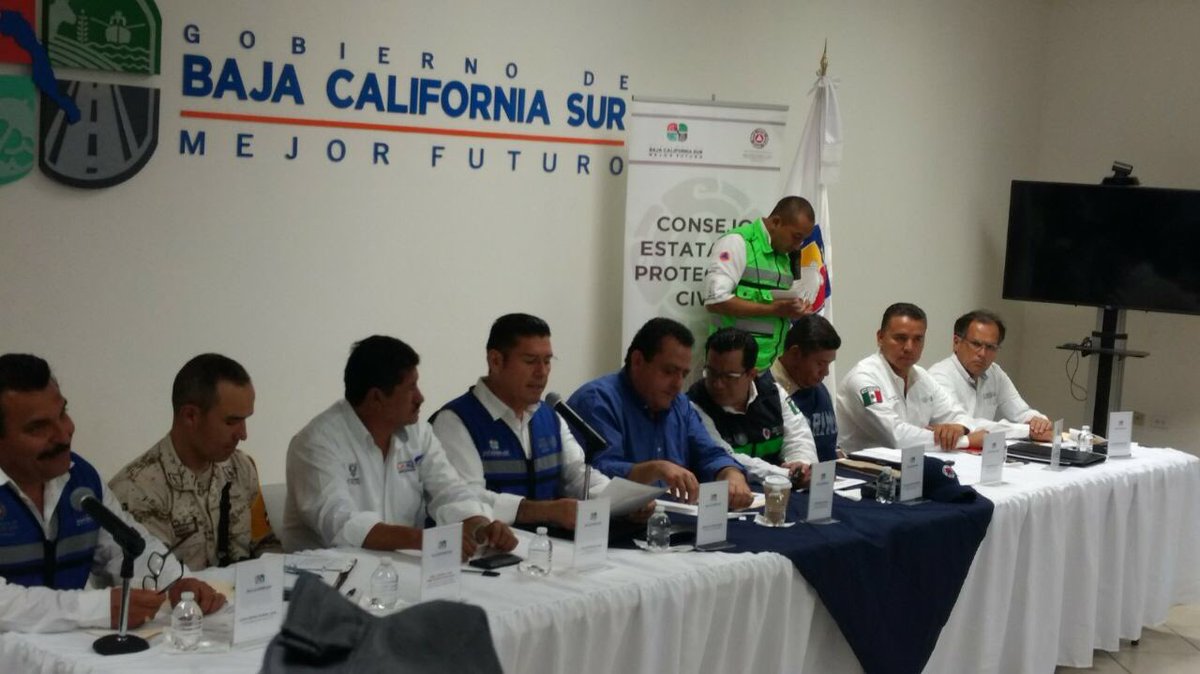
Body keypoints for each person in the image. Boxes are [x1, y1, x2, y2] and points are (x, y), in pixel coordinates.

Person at [0, 354, 224, 633]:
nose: (64, 434)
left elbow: (127, 546)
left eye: (63, 414)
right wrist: (96, 609)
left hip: (62, 649)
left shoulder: (81, 478)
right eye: (38, 427)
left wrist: (176, 582)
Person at [284, 336, 517, 559]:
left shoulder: (419, 433)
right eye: (410, 388)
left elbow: (449, 491)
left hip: (402, 569)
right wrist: (424, 539)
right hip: (327, 577)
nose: (420, 397)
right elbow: (340, 524)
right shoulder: (316, 443)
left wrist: (480, 526)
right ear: (376, 398)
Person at [432, 314, 612, 530]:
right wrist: (543, 511)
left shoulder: (550, 417)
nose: (542, 372)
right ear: (495, 361)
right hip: (486, 547)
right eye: (530, 361)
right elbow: (464, 499)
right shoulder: (455, 421)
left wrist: (621, 500)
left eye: (547, 361)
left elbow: (576, 476)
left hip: (548, 544)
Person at [109, 354, 280, 571]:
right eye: (231, 422)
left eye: (245, 419)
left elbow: (265, 545)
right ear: (190, 416)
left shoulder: (241, 468)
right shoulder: (137, 489)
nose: (243, 434)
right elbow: (152, 579)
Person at [568, 318, 753, 509]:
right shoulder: (597, 401)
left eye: (683, 374)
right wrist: (655, 469)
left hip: (673, 518)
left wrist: (731, 474)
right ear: (638, 361)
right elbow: (595, 474)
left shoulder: (679, 404)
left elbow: (709, 453)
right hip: (613, 520)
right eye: (669, 371)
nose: (678, 384)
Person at [836, 304, 982, 453]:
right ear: (880, 337)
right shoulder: (864, 379)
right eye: (900, 338)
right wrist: (966, 441)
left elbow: (958, 415)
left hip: (912, 462)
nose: (909, 347)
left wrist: (959, 428)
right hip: (862, 466)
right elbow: (896, 436)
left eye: (918, 339)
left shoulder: (922, 377)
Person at [687, 328, 817, 486]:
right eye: (711, 373)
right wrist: (787, 475)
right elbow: (725, 457)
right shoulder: (693, 404)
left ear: (751, 374)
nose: (718, 384)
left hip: (779, 489)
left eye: (729, 377)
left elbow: (799, 436)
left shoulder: (774, 393)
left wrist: (801, 464)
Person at [704, 196, 817, 370]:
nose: (797, 245)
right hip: (733, 368)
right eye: (796, 237)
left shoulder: (785, 255)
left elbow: (777, 303)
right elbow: (716, 301)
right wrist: (773, 310)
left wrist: (795, 309)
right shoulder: (737, 242)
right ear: (776, 222)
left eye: (802, 239)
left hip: (770, 366)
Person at [929, 310, 1054, 441]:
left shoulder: (994, 372)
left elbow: (1021, 411)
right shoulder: (939, 376)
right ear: (956, 342)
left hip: (984, 450)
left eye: (990, 347)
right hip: (950, 451)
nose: (982, 353)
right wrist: (1027, 431)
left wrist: (1038, 422)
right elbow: (966, 424)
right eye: (976, 344)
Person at [772, 313, 842, 462]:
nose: (826, 372)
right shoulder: (767, 393)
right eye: (820, 364)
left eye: (828, 364)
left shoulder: (819, 390)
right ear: (795, 354)